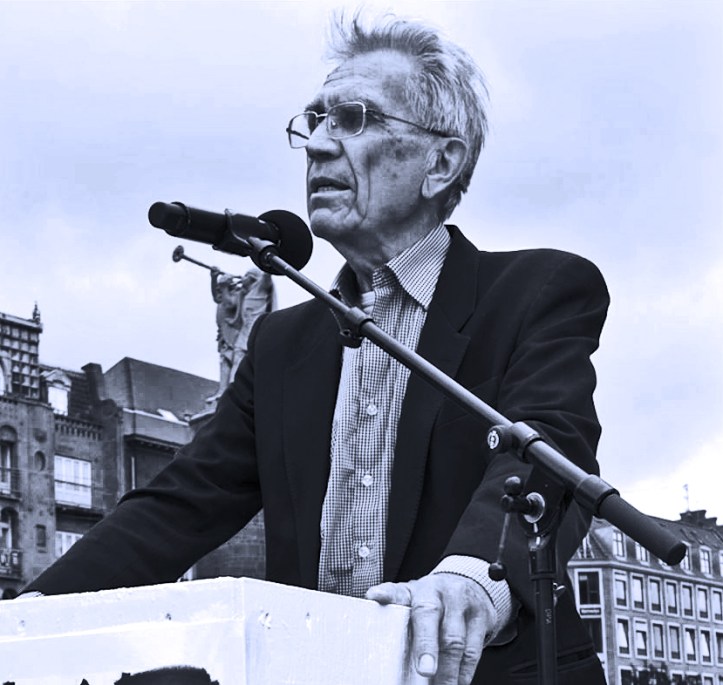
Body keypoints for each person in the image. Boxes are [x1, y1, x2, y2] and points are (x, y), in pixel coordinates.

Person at [21, 12, 609, 684]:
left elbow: (549, 449)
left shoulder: (538, 290)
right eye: (316, 120)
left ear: (440, 162)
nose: (320, 144)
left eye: (355, 119)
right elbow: (177, 505)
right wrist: (27, 617)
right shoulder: (281, 344)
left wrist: (473, 580)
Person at [210, 267, 275, 394]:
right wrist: (215, 279)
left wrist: (266, 261)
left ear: (253, 279)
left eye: (246, 276)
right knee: (237, 358)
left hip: (254, 332)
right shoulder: (246, 294)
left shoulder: (260, 290)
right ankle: (231, 389)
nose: (242, 278)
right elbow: (219, 298)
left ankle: (235, 389)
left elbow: (267, 274)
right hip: (245, 332)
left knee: (240, 359)